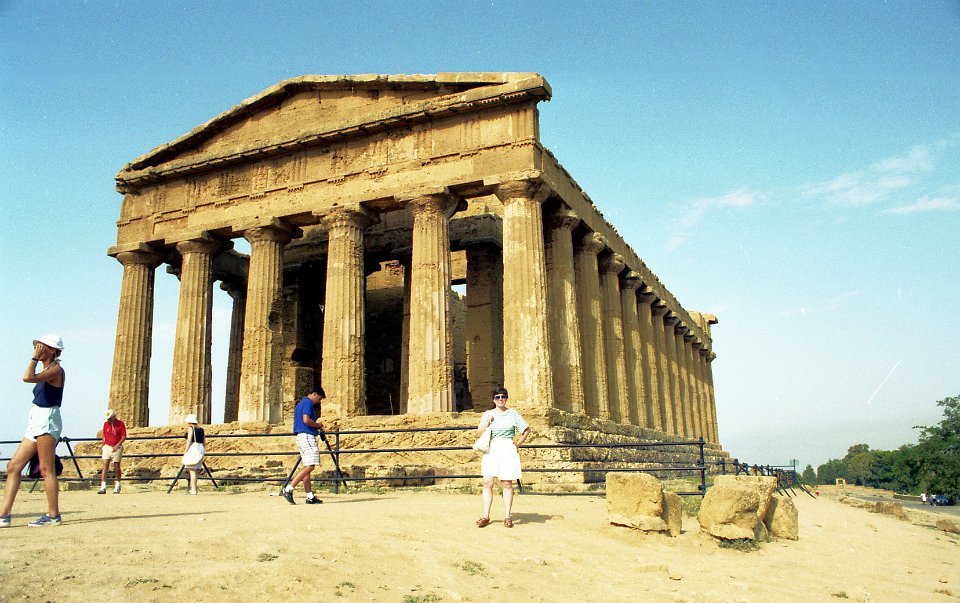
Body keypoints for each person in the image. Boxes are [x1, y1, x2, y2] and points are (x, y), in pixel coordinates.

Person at [1, 335, 66, 528]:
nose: (37, 349)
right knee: (13, 466)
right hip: (36, 417)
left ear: (52, 350)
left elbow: (27, 377)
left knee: (46, 469)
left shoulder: (56, 369)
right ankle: (4, 515)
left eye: (41, 347)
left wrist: (34, 358)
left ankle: (53, 516)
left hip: (47, 418)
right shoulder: (47, 369)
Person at [475, 386, 531, 529]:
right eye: (497, 397)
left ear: (506, 398)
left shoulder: (513, 414)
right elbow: (478, 433)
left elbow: (526, 429)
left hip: (507, 448)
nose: (501, 399)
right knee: (487, 482)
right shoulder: (488, 414)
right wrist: (487, 423)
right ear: (493, 400)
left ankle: (507, 516)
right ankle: (486, 516)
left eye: (503, 396)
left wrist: (518, 443)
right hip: (491, 448)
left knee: (506, 483)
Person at [281, 387, 326, 505]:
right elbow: (306, 420)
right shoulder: (308, 403)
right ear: (314, 394)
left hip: (300, 436)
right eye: (319, 399)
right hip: (307, 436)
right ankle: (288, 489)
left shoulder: (300, 404)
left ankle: (310, 496)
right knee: (311, 465)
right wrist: (318, 425)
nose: (319, 402)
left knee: (307, 466)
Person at [98, 409, 126, 494]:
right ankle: (103, 487)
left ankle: (117, 485)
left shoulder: (120, 424)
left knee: (116, 467)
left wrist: (117, 445)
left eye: (110, 418)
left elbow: (123, 436)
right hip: (107, 447)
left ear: (114, 417)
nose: (108, 420)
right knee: (105, 466)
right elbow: (104, 436)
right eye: (108, 418)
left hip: (117, 448)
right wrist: (102, 445)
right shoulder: (106, 424)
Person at [182, 414, 206, 495]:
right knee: (195, 471)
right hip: (200, 448)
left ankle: (193, 489)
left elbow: (189, 440)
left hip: (193, 448)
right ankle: (194, 488)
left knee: (192, 470)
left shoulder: (191, 428)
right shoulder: (201, 429)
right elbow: (204, 442)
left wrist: (185, 451)